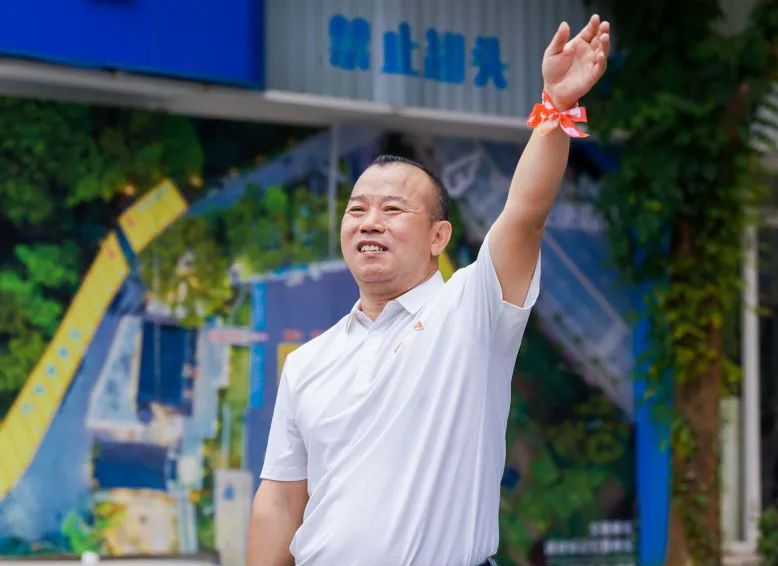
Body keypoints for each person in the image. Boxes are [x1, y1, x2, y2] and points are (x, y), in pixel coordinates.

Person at [247, 14, 610, 566]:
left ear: (439, 236)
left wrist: (555, 107)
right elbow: (279, 500)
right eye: (356, 209)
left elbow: (524, 216)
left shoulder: (470, 311)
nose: (370, 222)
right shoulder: (307, 362)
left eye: (392, 209)